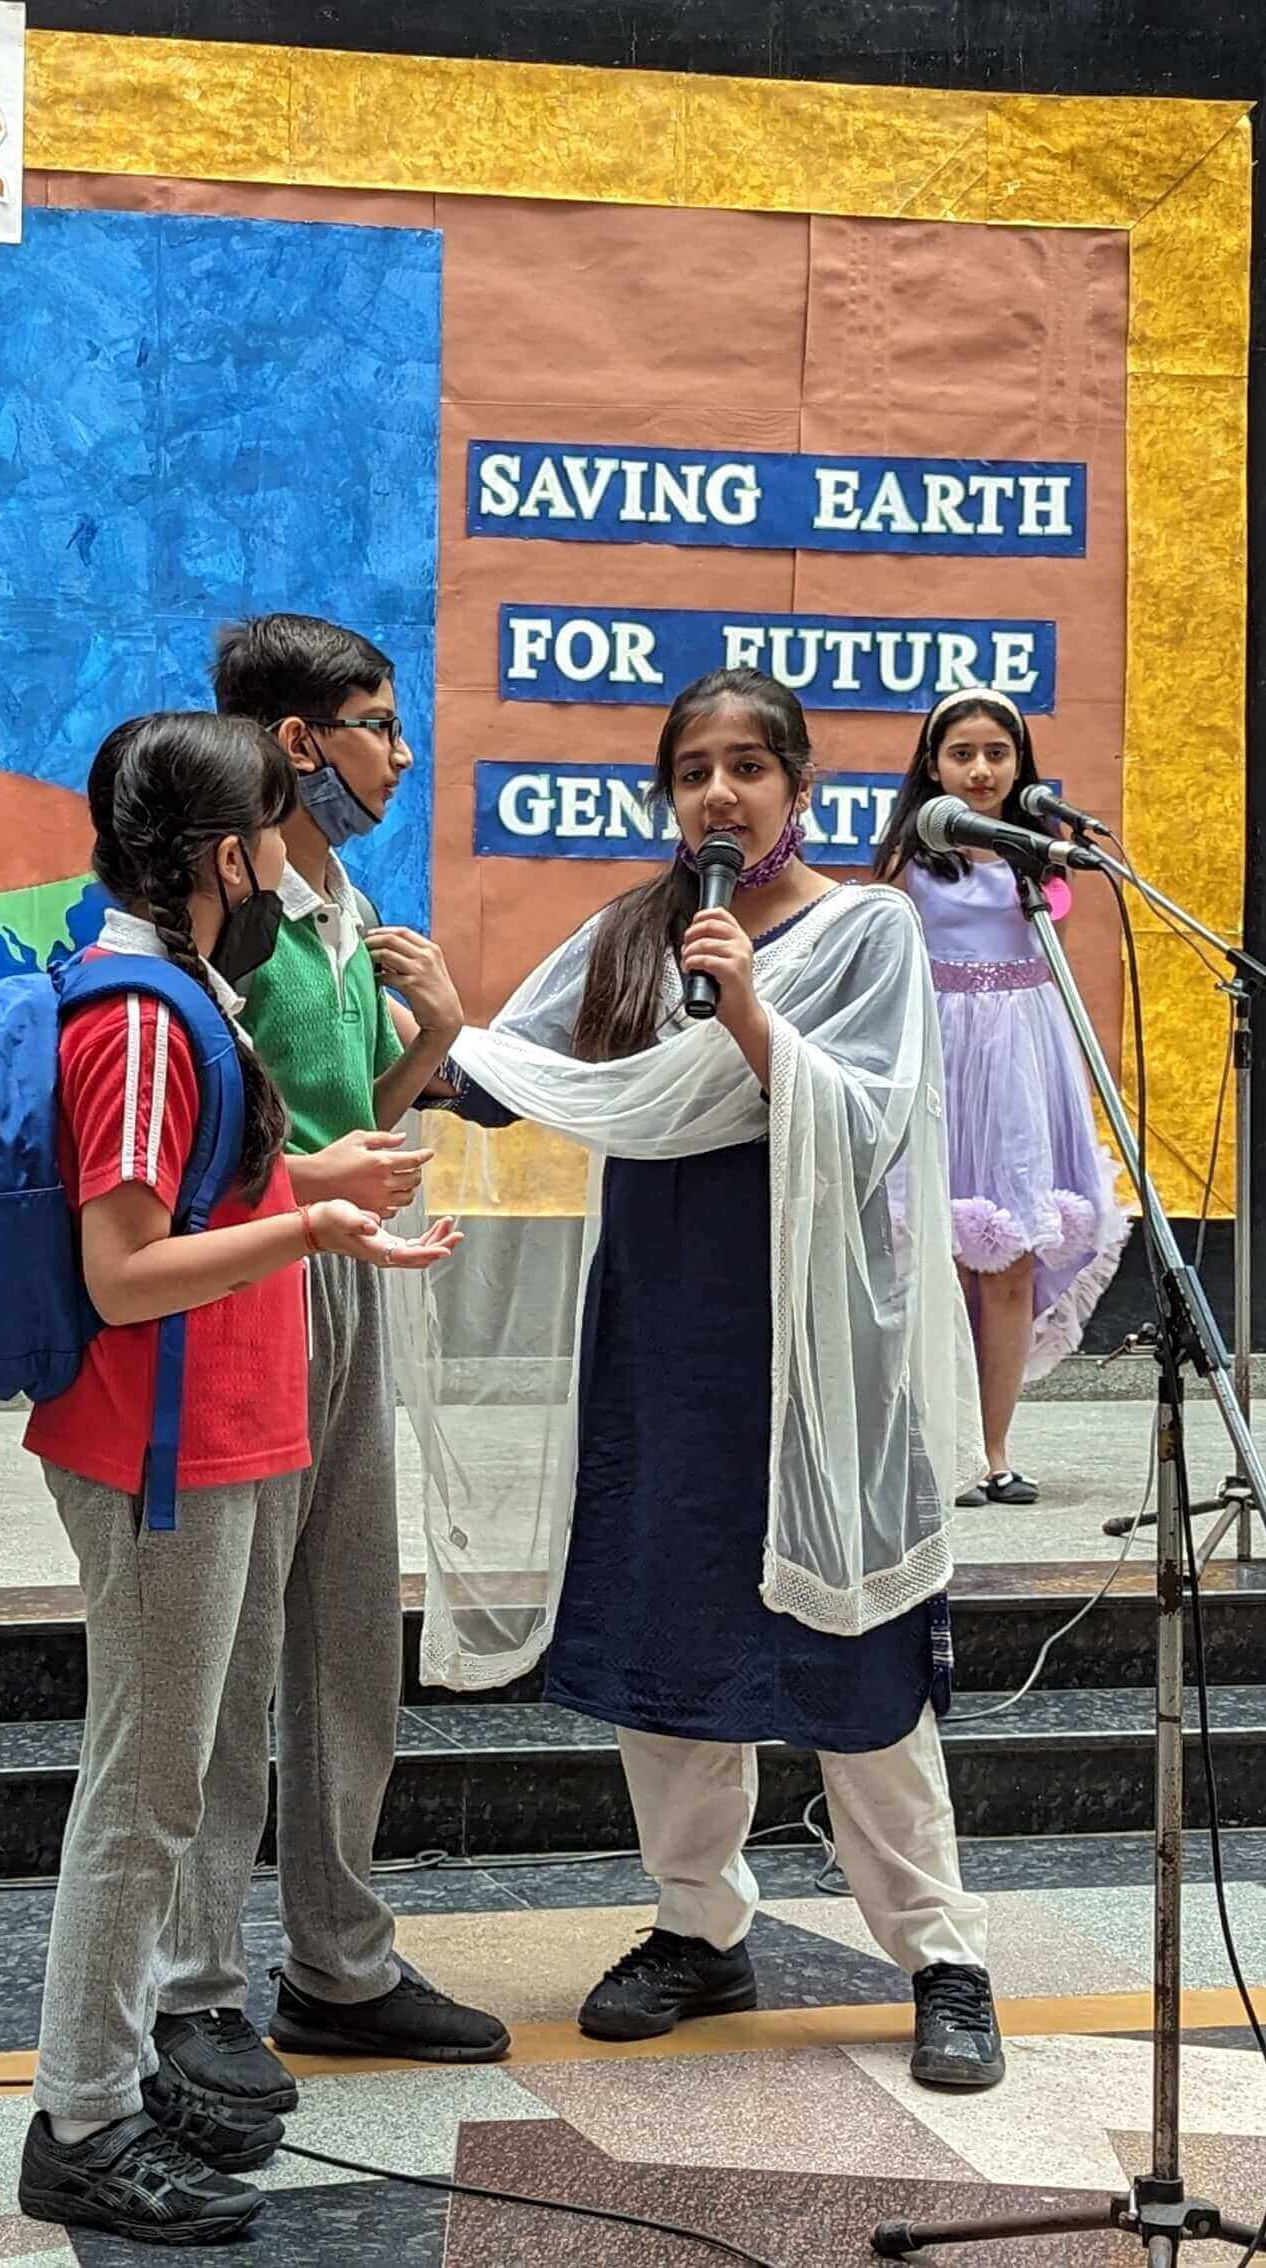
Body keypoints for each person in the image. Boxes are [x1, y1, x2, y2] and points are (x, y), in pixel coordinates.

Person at [427, 668, 1009, 2095]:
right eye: (693, 771)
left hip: (819, 1343)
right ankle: (699, 1928)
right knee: (668, 1631)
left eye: (749, 767)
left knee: (856, 1646)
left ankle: (943, 1958)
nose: (719, 794)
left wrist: (750, 1013)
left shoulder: (867, 929)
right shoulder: (633, 933)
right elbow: (512, 1078)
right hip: (666, 1335)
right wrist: (440, 1027)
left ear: (802, 788)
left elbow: (873, 1121)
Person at [16, 712, 462, 2247]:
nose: (287, 857)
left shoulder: (191, 987)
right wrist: (311, 1229)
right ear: (226, 858)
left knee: (163, 1780)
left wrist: (315, 1180)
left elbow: (212, 1186)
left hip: (217, 1433)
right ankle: (81, 2120)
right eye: (273, 833)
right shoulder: (143, 1018)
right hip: (164, 1450)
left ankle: (121, 2075)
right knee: (144, 1797)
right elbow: (126, 1269)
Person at [136, 617, 510, 2131]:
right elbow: (196, 1157)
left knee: (351, 1631)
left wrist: (435, 1038)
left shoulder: (346, 907)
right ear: (297, 744)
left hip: (344, 1280)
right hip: (245, 1289)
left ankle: (340, 1962)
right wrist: (316, 1186)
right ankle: (193, 1984)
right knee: (228, 1657)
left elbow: (359, 1124)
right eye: (376, 726)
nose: (400, 756)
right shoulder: (219, 922)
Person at [870, 686, 1134, 1508]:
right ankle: (935, 1445)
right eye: (962, 754)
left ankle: (995, 1449)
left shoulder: (1040, 858)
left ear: (1021, 764)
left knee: (1012, 1256)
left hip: (1023, 1061)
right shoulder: (909, 863)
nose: (980, 770)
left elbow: (1048, 946)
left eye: (997, 753)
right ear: (932, 766)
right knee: (942, 1257)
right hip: (943, 1057)